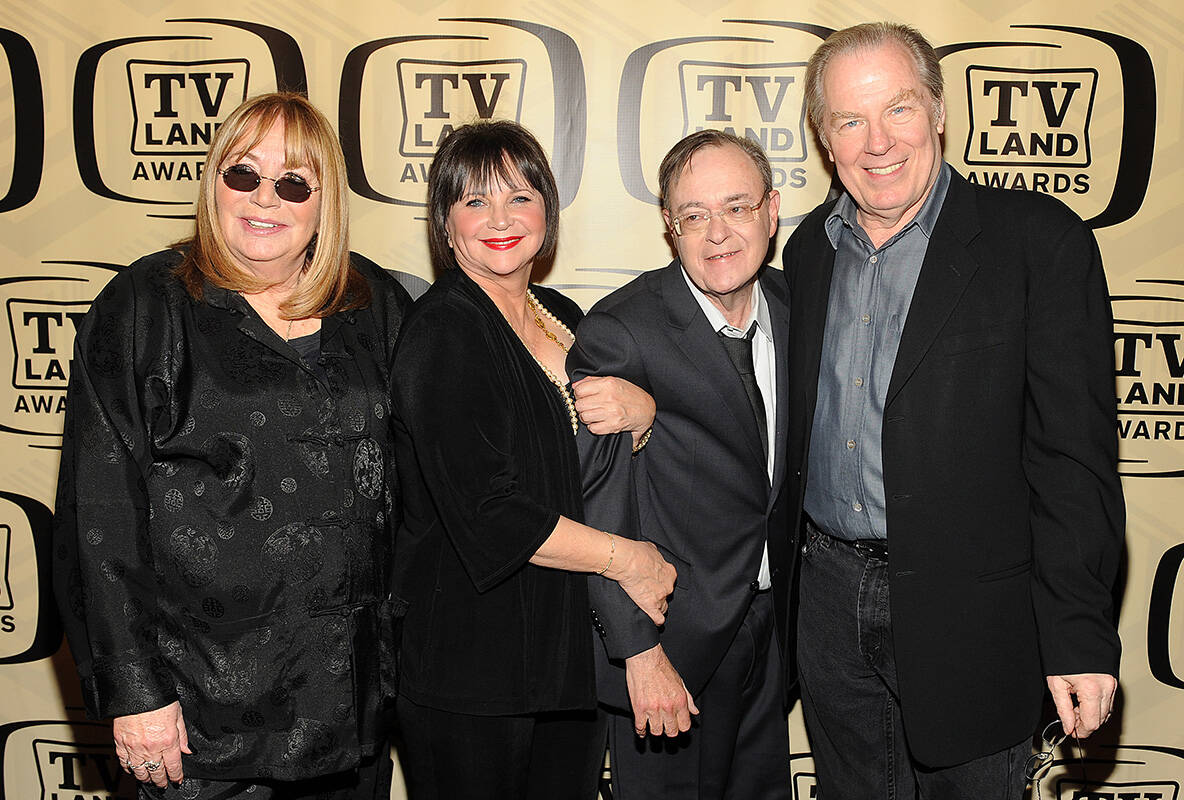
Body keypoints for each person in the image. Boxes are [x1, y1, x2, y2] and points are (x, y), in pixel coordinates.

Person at [781, 21, 1124, 798]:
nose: (877, 142)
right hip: (828, 605)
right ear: (824, 137)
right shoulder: (808, 251)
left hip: (972, 611)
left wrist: (1077, 635)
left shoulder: (1039, 243)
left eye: (898, 109)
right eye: (849, 120)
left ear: (938, 112)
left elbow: (1073, 464)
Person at [52, 92, 411, 800]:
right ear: (213, 180)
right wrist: (135, 694)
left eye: (293, 182)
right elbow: (99, 513)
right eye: (243, 174)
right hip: (200, 723)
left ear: (323, 200)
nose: (264, 199)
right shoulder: (145, 306)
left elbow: (453, 440)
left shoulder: (371, 303)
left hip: (350, 711)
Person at [389, 119, 676, 800]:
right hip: (472, 673)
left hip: (564, 660)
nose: (500, 219)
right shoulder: (442, 334)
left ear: (547, 207)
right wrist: (628, 560)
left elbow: (587, 469)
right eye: (475, 201)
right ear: (446, 222)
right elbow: (493, 515)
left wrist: (645, 414)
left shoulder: (559, 314)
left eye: (519, 196)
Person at [569, 130, 792, 799]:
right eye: (694, 215)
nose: (717, 233)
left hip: (776, 635)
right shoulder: (624, 329)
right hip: (676, 643)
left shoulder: (797, 305)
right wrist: (638, 652)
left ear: (772, 211)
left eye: (737, 208)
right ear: (670, 227)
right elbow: (598, 506)